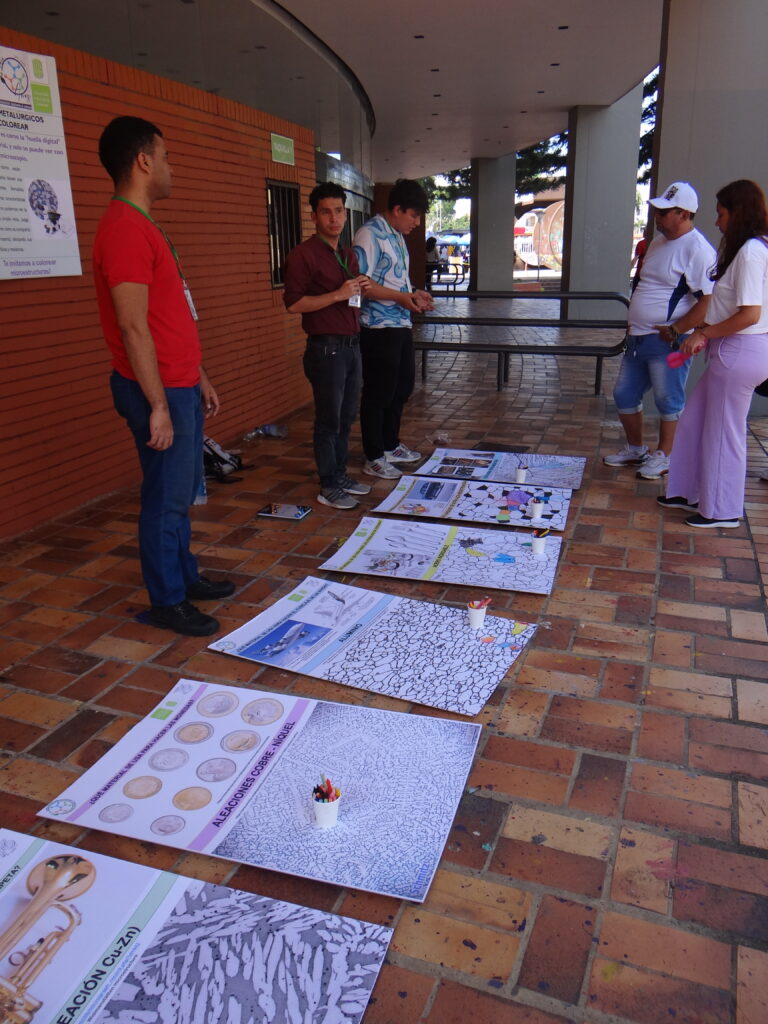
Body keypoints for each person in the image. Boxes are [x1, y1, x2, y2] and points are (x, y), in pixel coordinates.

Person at [94, 116, 234, 637]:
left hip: (177, 383)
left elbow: (167, 317)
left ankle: (185, 577)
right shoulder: (126, 229)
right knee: (165, 496)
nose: (172, 168)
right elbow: (133, 327)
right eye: (167, 156)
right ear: (144, 161)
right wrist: (157, 403)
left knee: (180, 493)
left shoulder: (143, 225)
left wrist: (197, 374)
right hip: (158, 391)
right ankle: (167, 600)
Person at [659, 179, 768, 528]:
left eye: (721, 214)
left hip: (740, 351)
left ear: (738, 213)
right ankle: (686, 490)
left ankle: (722, 510)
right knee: (694, 421)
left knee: (724, 434)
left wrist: (702, 334)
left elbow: (750, 314)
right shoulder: (747, 250)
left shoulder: (752, 251)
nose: (717, 221)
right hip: (731, 349)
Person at [604, 182, 716, 480]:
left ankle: (664, 456)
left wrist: (678, 328)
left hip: (667, 340)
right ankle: (636, 448)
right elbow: (645, 283)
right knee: (624, 394)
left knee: (668, 399)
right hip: (638, 338)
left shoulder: (698, 249)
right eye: (658, 210)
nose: (658, 216)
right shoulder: (657, 242)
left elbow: (709, 299)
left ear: (683, 214)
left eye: (665, 212)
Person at [283, 183, 371, 510]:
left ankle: (340, 473)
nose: (333, 218)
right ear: (313, 216)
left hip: (351, 345)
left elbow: (354, 296)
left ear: (345, 214)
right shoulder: (303, 255)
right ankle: (328, 483)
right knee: (329, 419)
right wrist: (338, 294)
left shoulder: (346, 254)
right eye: (325, 212)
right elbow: (293, 304)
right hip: (325, 349)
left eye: (338, 211)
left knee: (347, 416)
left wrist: (359, 288)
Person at [353, 179, 434, 479]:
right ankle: (374, 455)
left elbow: (393, 279)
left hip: (399, 323)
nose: (417, 222)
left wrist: (414, 293)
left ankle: (390, 444)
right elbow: (361, 285)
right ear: (397, 209)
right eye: (413, 215)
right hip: (376, 328)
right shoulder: (369, 235)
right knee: (378, 393)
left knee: (402, 388)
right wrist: (403, 297)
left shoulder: (397, 236)